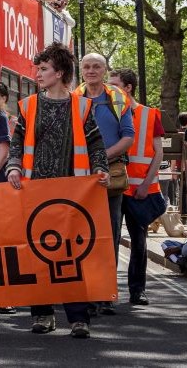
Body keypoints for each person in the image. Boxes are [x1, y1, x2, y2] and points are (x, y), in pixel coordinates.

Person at [6, 42, 109, 339]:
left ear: (59, 73)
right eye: (39, 69)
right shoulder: (29, 105)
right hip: (34, 190)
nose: (38, 74)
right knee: (37, 253)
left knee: (70, 256)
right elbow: (17, 142)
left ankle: (78, 318)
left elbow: (95, 143)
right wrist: (13, 167)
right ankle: (42, 314)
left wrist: (100, 169)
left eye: (44, 69)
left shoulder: (81, 105)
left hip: (72, 192)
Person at [75, 53, 134, 315]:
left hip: (109, 176)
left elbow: (128, 137)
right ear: (81, 71)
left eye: (96, 66)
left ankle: (106, 293)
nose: (91, 71)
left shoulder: (118, 99)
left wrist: (100, 157)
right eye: (86, 67)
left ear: (105, 69)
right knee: (81, 235)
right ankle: (85, 291)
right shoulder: (73, 97)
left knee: (109, 234)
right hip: (79, 177)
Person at [107, 68, 164, 306]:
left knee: (139, 241)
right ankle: (106, 294)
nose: (109, 89)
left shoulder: (150, 115)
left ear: (128, 88)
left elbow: (158, 153)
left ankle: (137, 290)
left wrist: (146, 184)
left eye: (114, 84)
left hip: (140, 189)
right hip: (114, 186)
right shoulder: (108, 112)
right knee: (109, 240)